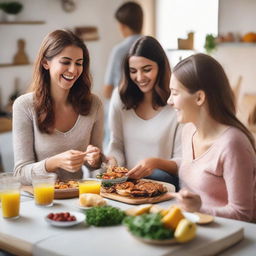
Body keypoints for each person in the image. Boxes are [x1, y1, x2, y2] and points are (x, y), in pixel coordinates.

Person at [128, 53, 256, 222]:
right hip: (189, 225)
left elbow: (243, 214)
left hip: (224, 235)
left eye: (175, 93)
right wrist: (156, 162)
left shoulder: (233, 144)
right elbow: (198, 166)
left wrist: (199, 209)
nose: (169, 101)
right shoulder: (189, 130)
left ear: (199, 97)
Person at [13, 30, 104, 185]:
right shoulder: (24, 106)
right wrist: (54, 162)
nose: (73, 70)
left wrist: (96, 159)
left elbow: (96, 165)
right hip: (40, 198)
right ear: (45, 63)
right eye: (66, 62)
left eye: (79, 63)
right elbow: (20, 173)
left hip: (77, 197)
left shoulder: (94, 104)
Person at [107, 36, 181, 190]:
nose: (139, 77)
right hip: (127, 184)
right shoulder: (120, 97)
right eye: (133, 71)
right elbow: (116, 144)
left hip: (164, 184)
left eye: (147, 69)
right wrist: (113, 163)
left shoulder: (175, 103)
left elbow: (182, 162)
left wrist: (154, 163)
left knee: (157, 175)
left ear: (160, 67)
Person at [103, 1, 143, 99]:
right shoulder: (152, 46)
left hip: (122, 104)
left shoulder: (119, 50)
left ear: (122, 25)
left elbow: (107, 90)